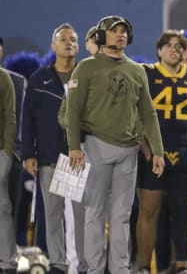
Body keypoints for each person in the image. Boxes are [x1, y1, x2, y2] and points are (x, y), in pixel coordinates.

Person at [64, 15, 165, 274]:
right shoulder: (86, 68)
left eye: (123, 31)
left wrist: (157, 150)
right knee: (95, 213)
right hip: (95, 147)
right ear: (101, 37)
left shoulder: (136, 70)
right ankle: (95, 270)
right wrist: (74, 146)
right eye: (114, 31)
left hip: (128, 152)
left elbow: (148, 113)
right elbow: (72, 111)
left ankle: (120, 269)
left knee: (121, 215)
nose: (120, 35)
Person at [21, 23, 87, 274]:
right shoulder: (39, 79)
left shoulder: (86, 76)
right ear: (53, 46)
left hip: (78, 159)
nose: (68, 43)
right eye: (63, 39)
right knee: (53, 217)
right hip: (50, 157)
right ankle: (59, 265)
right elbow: (28, 120)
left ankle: (80, 265)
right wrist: (28, 153)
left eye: (73, 39)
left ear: (78, 46)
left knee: (79, 218)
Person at [135, 30, 187, 274]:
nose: (174, 50)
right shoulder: (146, 73)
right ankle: (144, 266)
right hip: (152, 155)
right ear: (159, 50)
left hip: (183, 155)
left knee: (182, 214)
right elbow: (135, 113)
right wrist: (145, 147)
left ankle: (182, 265)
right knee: (149, 213)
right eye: (169, 45)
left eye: (179, 46)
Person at [0, 66, 17, 274]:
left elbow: (10, 117)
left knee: (2, 208)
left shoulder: (3, 77)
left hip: (0, 151)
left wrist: (7, 153)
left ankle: (7, 262)